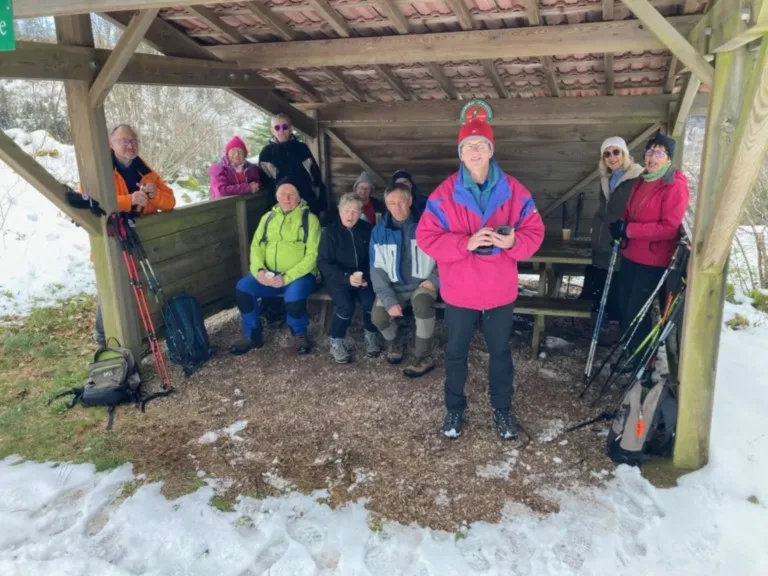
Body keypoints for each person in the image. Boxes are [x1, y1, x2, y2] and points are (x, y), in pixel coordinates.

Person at [416, 111, 545, 441]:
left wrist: (514, 241)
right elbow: (427, 237)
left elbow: (535, 230)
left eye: (481, 145)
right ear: (461, 153)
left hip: (499, 289)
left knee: (500, 352)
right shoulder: (444, 195)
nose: (474, 152)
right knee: (456, 352)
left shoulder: (514, 190)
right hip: (460, 289)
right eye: (468, 146)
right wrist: (465, 242)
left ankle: (502, 410)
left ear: (491, 149)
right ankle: (454, 409)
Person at [610, 134, 689, 372]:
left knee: (638, 310)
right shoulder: (642, 180)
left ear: (668, 158)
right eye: (650, 151)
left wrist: (630, 230)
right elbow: (630, 212)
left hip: (654, 260)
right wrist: (621, 227)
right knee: (625, 305)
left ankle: (641, 361)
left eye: (659, 153)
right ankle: (631, 352)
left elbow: (669, 227)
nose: (652, 157)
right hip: (632, 254)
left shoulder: (674, 185)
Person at [95, 124, 176, 347]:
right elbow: (92, 202)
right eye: (124, 141)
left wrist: (154, 194)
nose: (130, 145)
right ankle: (104, 341)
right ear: (112, 144)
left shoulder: (144, 170)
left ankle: (135, 340)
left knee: (136, 289)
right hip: (111, 239)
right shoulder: (100, 168)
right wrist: (128, 200)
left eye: (134, 141)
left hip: (139, 240)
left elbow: (170, 202)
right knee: (111, 289)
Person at [230, 178, 321, 356]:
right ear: (276, 197)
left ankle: (299, 334)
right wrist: (259, 270)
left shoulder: (310, 219)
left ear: (299, 197)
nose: (287, 198)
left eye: (291, 195)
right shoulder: (268, 218)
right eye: (283, 195)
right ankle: (253, 335)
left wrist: (287, 277)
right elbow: (256, 247)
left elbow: (313, 255)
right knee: (243, 289)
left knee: (293, 298)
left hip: (300, 275)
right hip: (269, 273)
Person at [370, 183, 439, 378]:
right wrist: (389, 300)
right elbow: (377, 269)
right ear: (386, 205)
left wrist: (435, 279)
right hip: (394, 285)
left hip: (422, 283)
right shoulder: (379, 232)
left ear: (409, 201)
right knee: (378, 316)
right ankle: (395, 341)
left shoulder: (428, 225)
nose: (397, 207)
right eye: (391, 203)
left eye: (401, 202)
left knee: (423, 304)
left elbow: (445, 254)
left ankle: (424, 357)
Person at [581, 137, 644, 323]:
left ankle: (616, 324)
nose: (612, 157)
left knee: (618, 285)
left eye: (616, 152)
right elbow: (604, 209)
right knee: (600, 280)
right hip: (604, 238)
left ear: (624, 154)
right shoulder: (607, 178)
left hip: (623, 239)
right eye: (606, 154)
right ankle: (603, 320)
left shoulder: (637, 177)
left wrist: (627, 229)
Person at [317, 193, 381, 363]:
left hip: (363, 277)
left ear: (361, 212)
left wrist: (367, 276)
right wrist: (346, 278)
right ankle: (336, 341)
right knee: (346, 305)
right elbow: (323, 263)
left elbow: (376, 258)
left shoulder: (367, 230)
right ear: (339, 210)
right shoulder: (330, 232)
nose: (350, 215)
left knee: (370, 302)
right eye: (346, 210)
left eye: (354, 211)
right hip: (338, 278)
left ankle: (371, 335)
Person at [258, 113, 327, 217]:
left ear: (290, 129)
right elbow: (264, 180)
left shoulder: (302, 148)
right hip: (281, 204)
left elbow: (316, 176)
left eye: (284, 127)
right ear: (272, 131)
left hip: (305, 201)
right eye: (277, 127)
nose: (281, 130)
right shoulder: (266, 152)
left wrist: (321, 204)